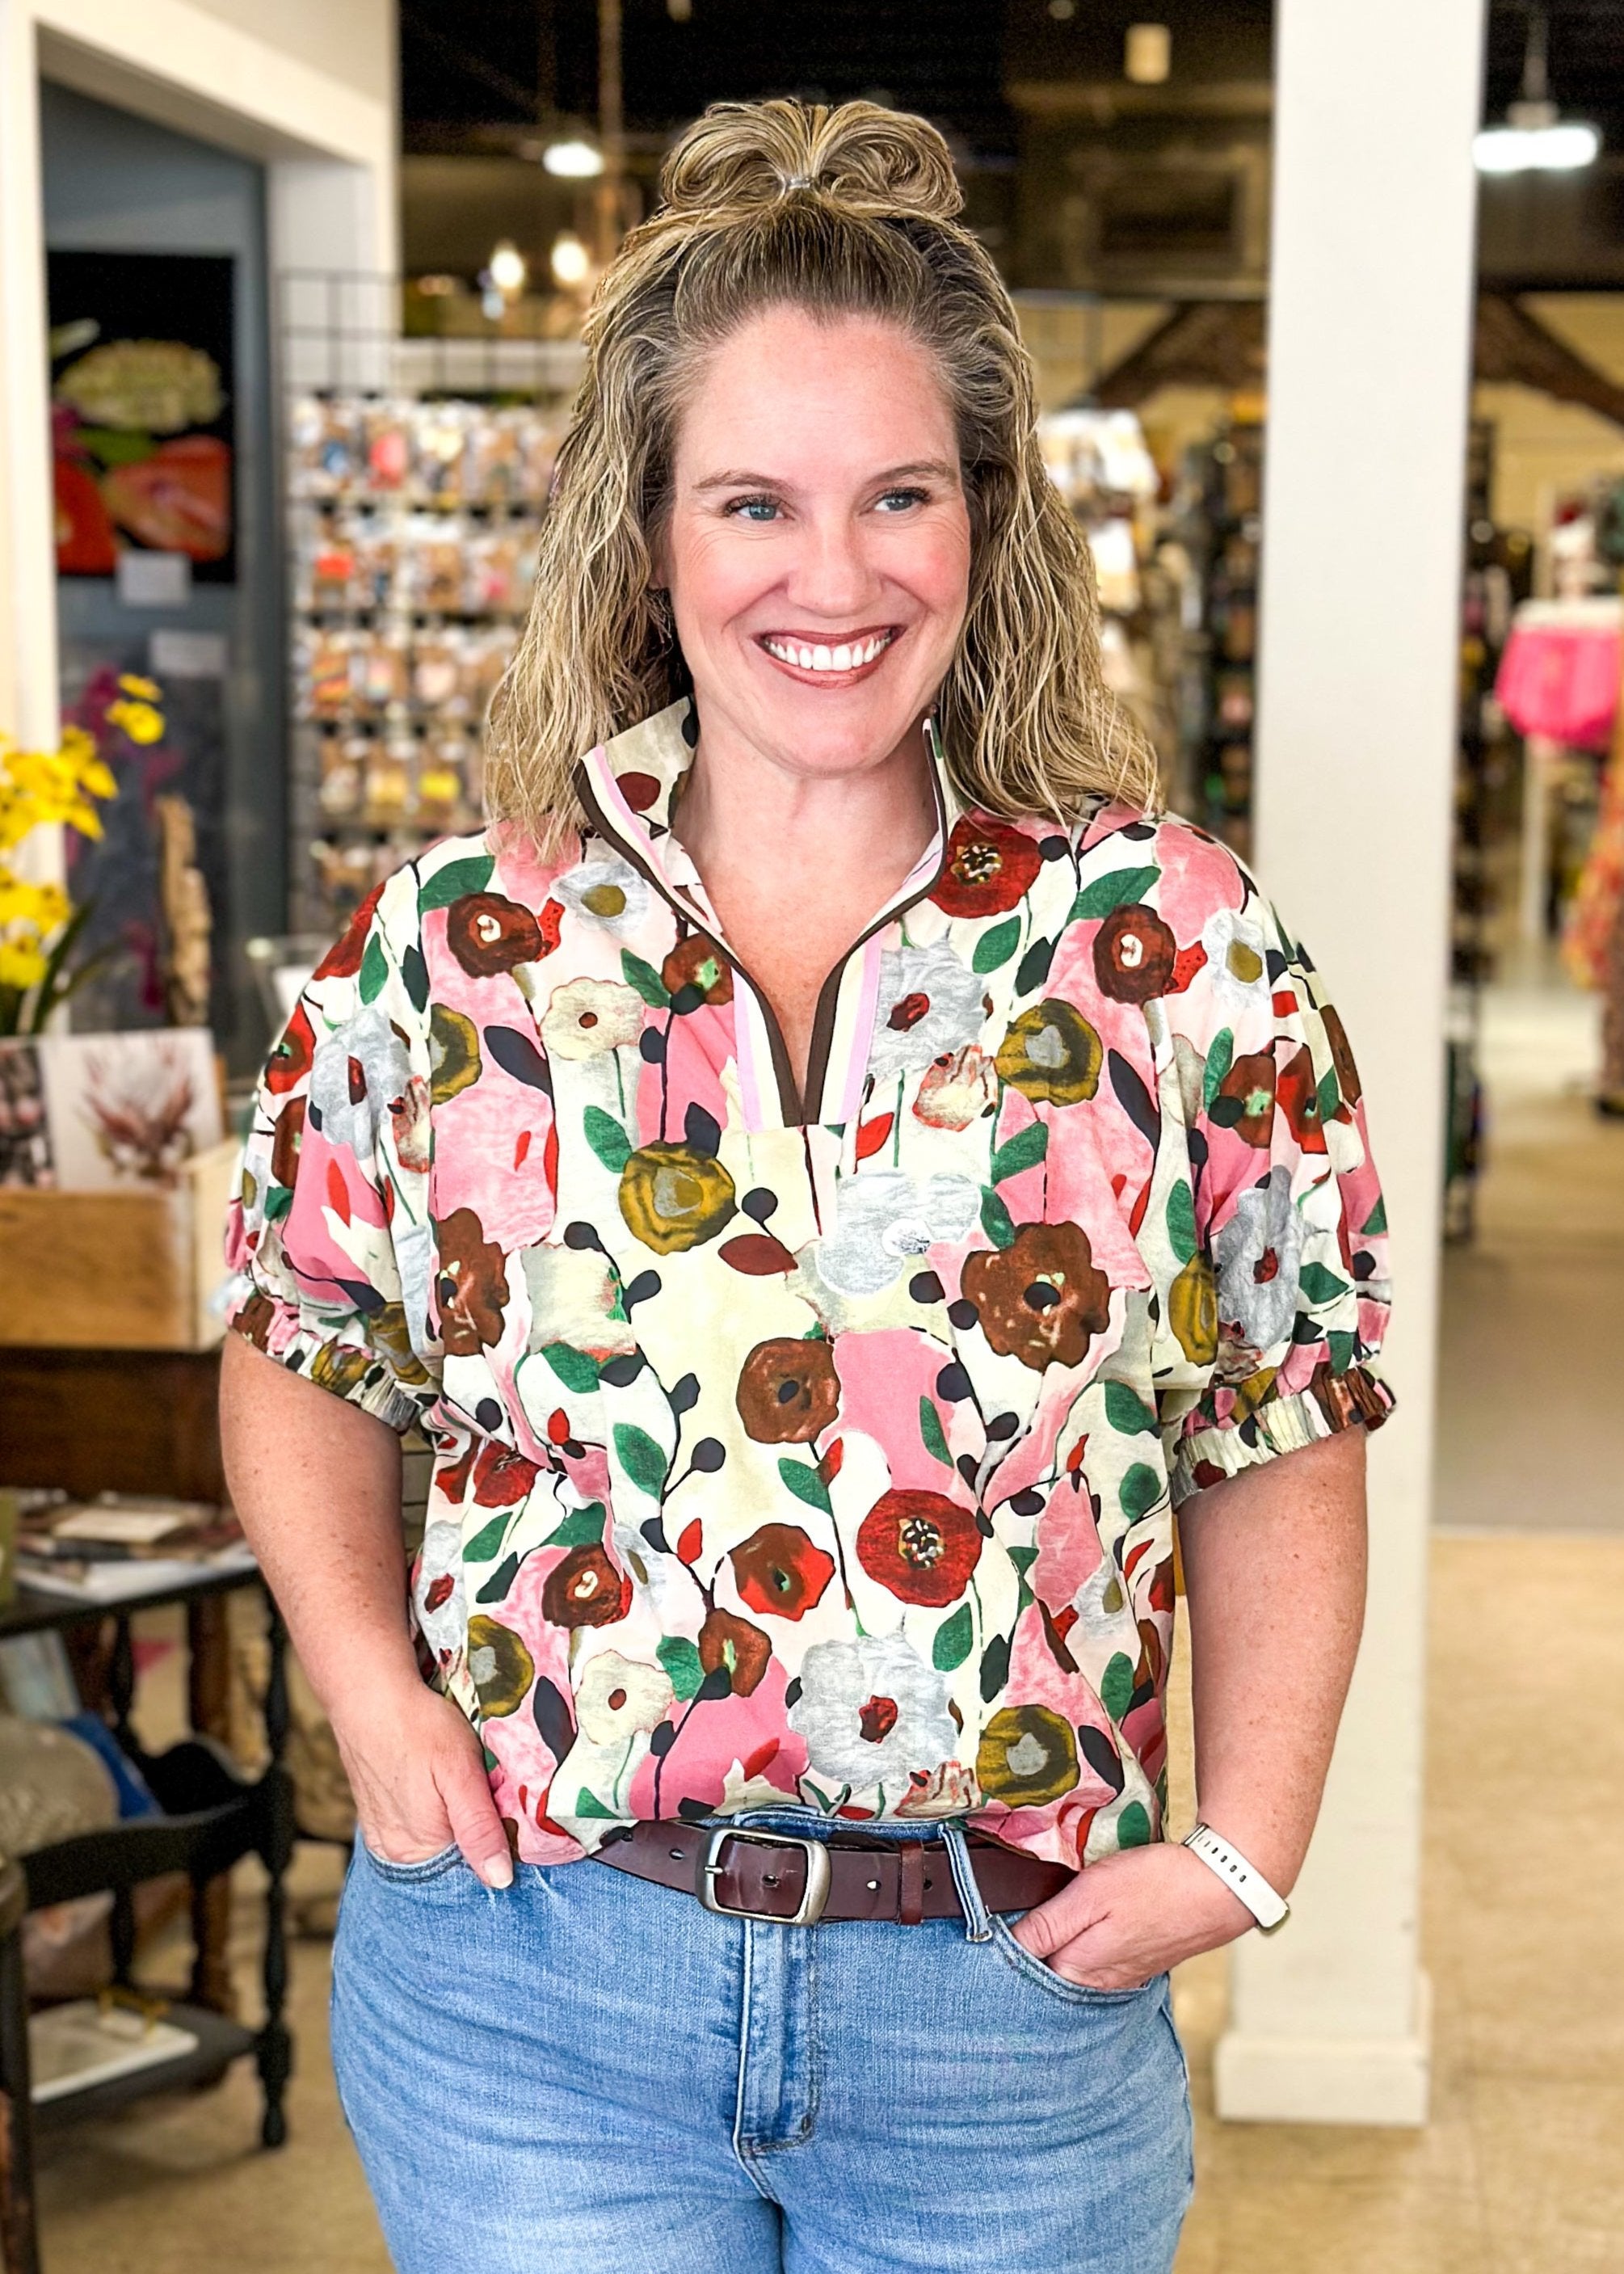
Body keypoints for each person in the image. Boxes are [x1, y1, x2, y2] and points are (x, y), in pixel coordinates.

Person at [221, 98, 1392, 2274]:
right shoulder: (460, 942)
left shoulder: (1172, 946)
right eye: (752, 501)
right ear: (647, 532)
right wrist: (371, 1702)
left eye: (897, 499)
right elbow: (303, 1342)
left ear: (983, 525)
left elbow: (1279, 1412)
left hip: (996, 2010)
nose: (830, 578)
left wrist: (1245, 1847)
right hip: (527, 1995)